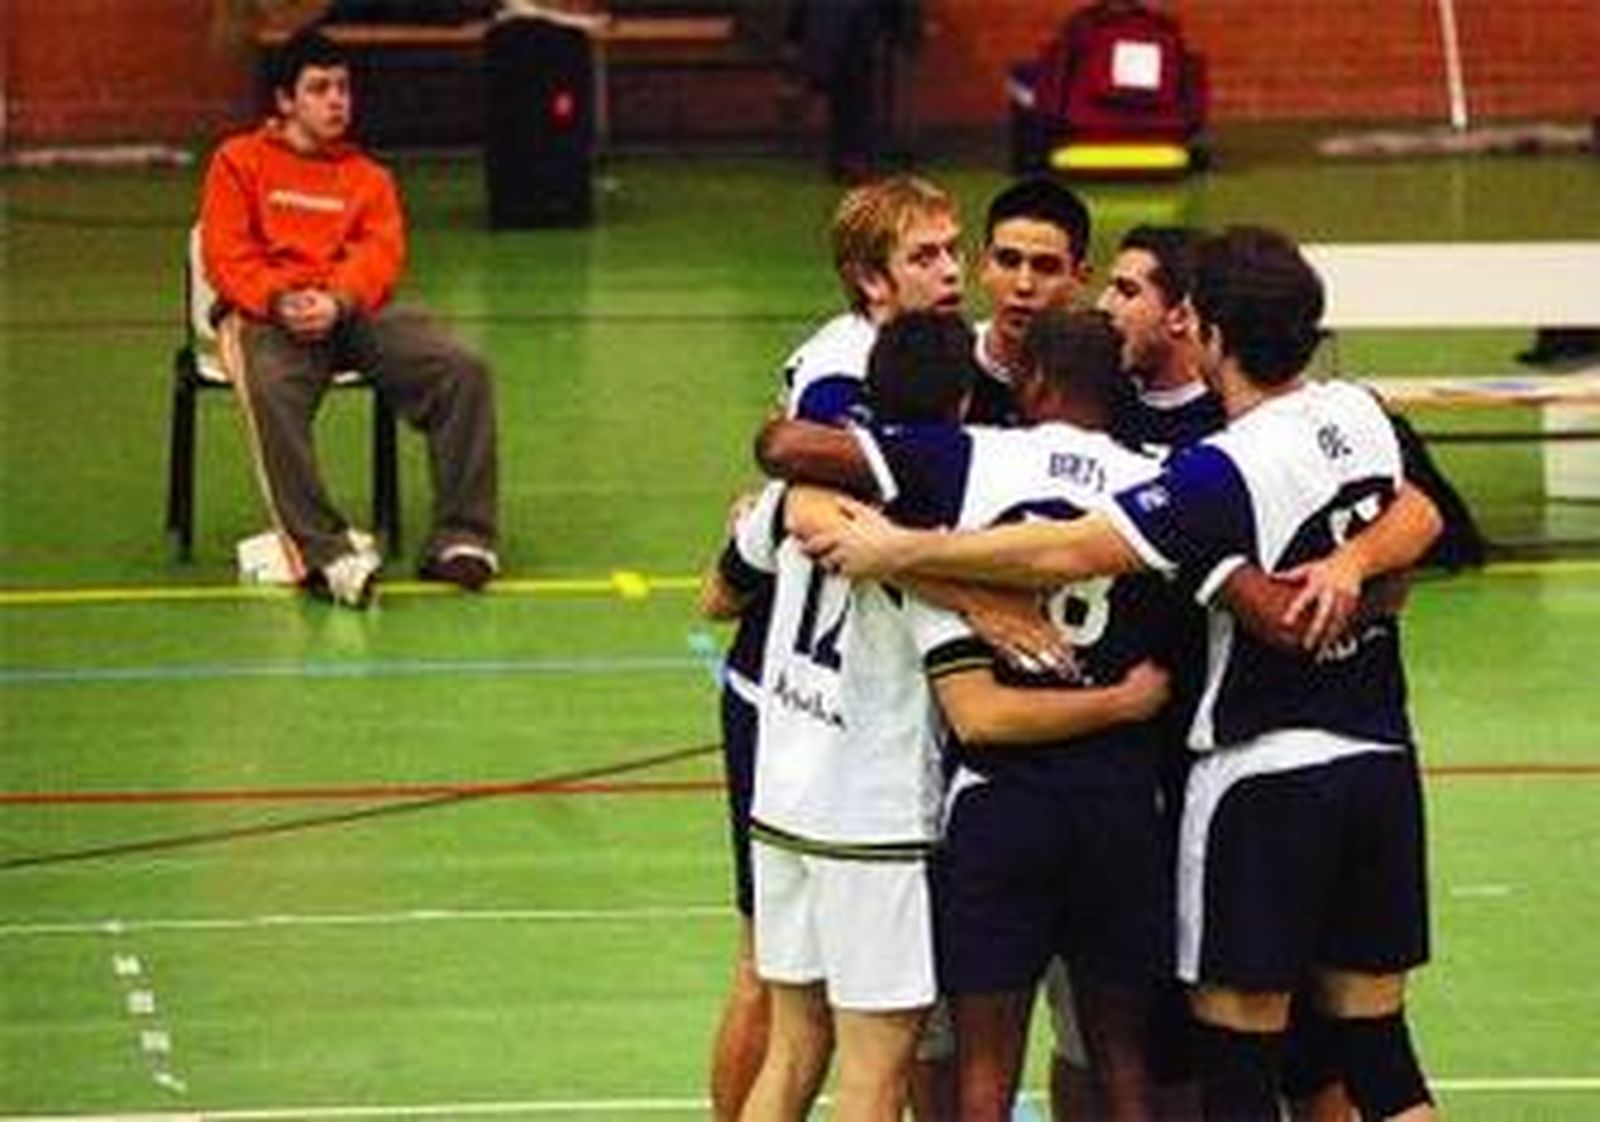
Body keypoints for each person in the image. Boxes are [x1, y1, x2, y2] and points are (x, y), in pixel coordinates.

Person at [807, 226, 1444, 1122]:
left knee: (1237, 1058)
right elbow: (1422, 511)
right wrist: (1358, 570)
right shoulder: (1358, 410)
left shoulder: (1215, 474)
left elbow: (1069, 545)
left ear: (1208, 332)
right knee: (1380, 1056)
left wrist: (906, 550)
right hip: (1381, 761)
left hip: (1259, 783)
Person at [701, 174, 966, 1121]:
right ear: (870, 279)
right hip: (822, 731)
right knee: (826, 1026)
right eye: (923, 256)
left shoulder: (930, 363)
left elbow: (731, 569)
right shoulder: (847, 369)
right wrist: (994, 600)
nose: (951, 271)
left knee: (803, 1024)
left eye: (952, 249)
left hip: (807, 744)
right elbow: (832, 508)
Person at [199, 27, 498, 607]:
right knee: (272, 393)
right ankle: (327, 554)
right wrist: (281, 298)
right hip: (266, 316)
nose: (337, 100)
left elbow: (380, 254)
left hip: (349, 311)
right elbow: (225, 253)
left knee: (462, 367)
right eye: (319, 89)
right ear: (285, 101)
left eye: (343, 88)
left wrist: (337, 300)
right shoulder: (238, 162)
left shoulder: (369, 178)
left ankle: (463, 538)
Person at [968, 176, 1095, 425]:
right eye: (1008, 261)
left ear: (1080, 278)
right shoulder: (945, 370)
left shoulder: (1104, 385)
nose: (1023, 285)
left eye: (1045, 267)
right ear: (984, 267)